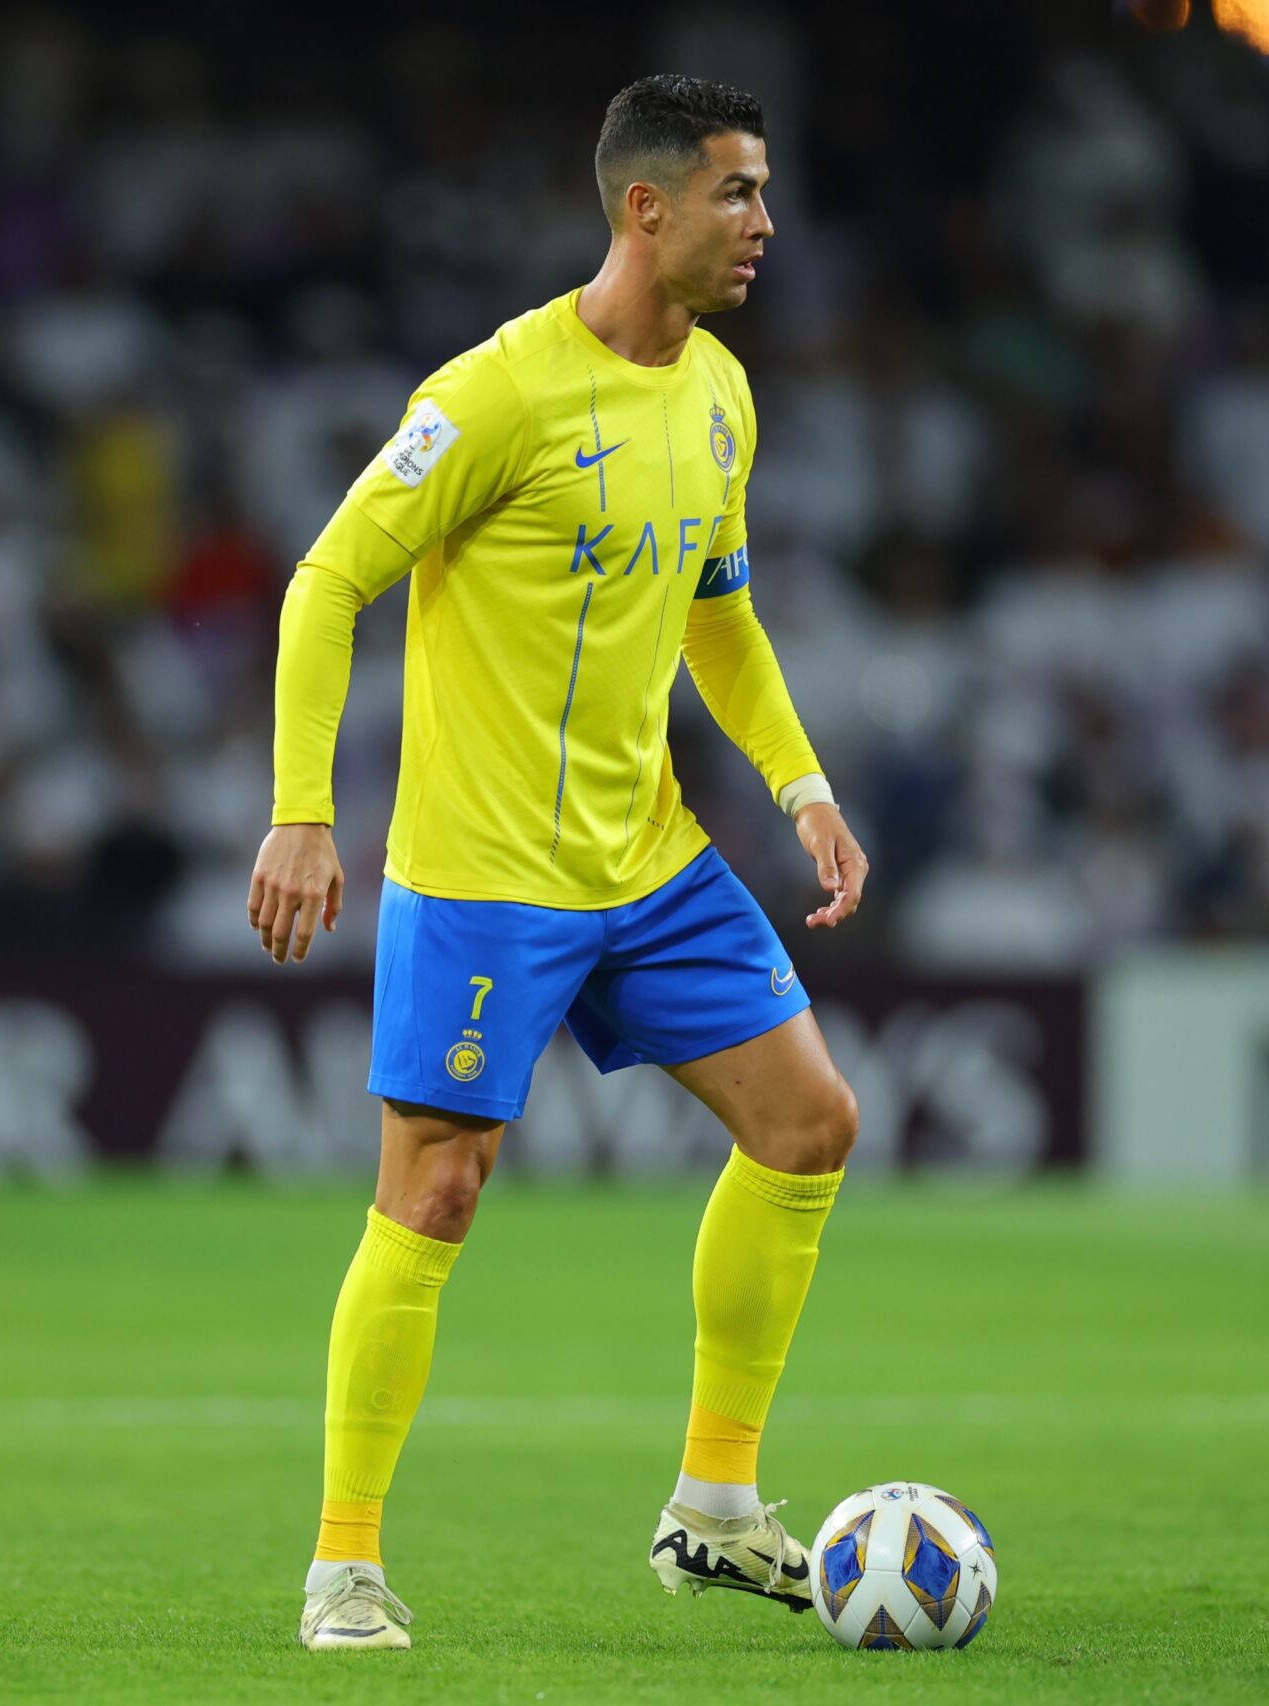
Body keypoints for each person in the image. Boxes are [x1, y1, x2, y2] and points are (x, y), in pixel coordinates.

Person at [251, 73, 869, 1651]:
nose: (765, 222)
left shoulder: (721, 393)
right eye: (737, 192)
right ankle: (343, 1567)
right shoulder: (496, 395)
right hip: (483, 873)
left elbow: (720, 612)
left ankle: (715, 1502)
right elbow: (327, 582)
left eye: (766, 189)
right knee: (437, 1189)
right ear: (645, 208)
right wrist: (303, 809)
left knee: (810, 1122)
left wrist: (800, 785)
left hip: (648, 859)